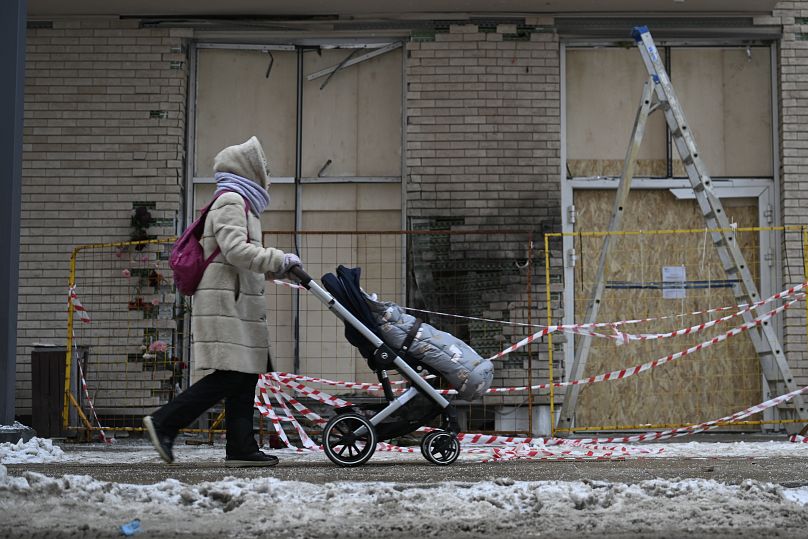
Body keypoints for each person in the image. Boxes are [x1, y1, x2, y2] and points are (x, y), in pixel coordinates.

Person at [144, 136, 301, 467]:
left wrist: (275, 271)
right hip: (226, 303)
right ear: (250, 168)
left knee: (245, 374)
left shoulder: (240, 201)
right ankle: (164, 422)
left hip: (234, 301)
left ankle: (241, 448)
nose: (268, 174)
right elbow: (234, 250)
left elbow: (235, 259)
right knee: (233, 375)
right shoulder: (232, 200)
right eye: (264, 167)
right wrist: (277, 259)